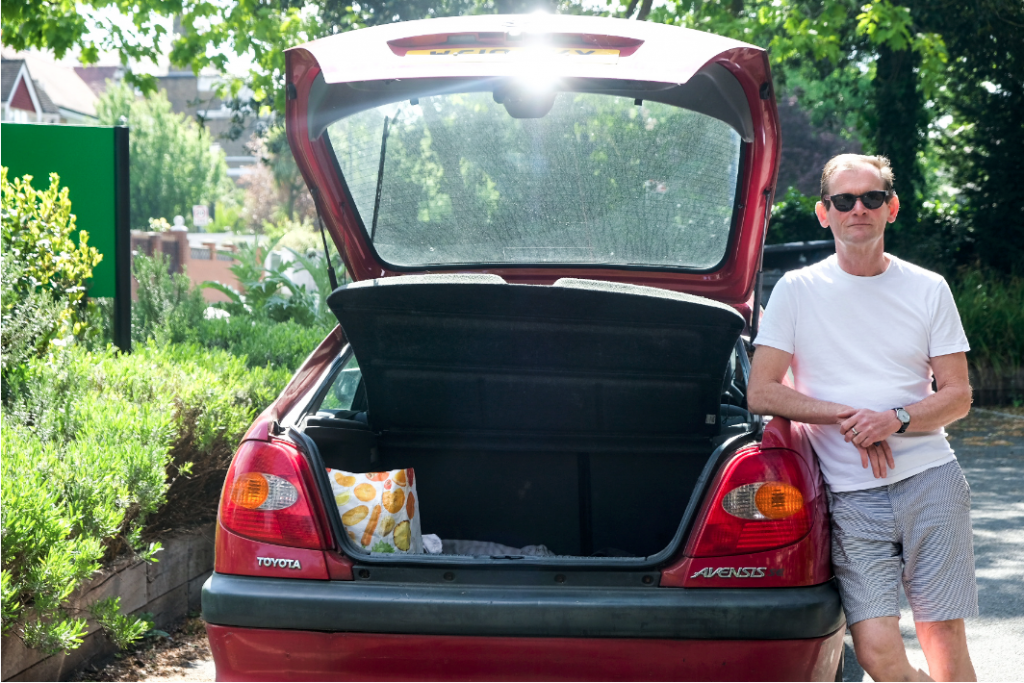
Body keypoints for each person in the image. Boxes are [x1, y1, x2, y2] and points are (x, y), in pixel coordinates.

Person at [747, 154, 978, 682]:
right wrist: (850, 417)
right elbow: (762, 391)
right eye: (844, 200)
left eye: (872, 198)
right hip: (850, 494)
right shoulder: (797, 291)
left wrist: (893, 419)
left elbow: (959, 396)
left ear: (891, 208)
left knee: (942, 638)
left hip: (931, 481)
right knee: (875, 652)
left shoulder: (928, 287)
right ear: (823, 212)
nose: (859, 209)